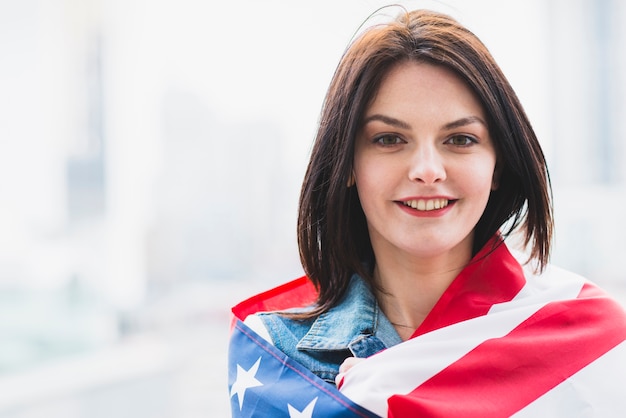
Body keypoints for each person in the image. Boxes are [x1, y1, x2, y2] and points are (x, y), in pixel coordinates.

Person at [228, 8, 626, 417]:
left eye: (460, 139)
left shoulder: (590, 341)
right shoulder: (277, 355)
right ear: (348, 163)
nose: (427, 171)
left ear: (498, 165)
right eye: (389, 139)